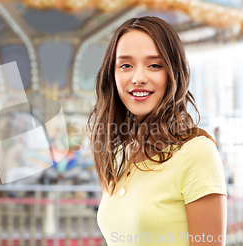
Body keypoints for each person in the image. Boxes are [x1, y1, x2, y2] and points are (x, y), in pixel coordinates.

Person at [87, 16, 227, 245]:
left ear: (174, 73)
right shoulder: (120, 155)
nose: (138, 77)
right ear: (112, 75)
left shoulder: (197, 152)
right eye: (125, 65)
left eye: (154, 65)